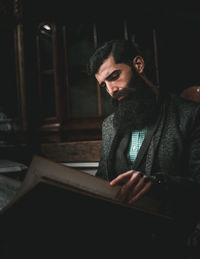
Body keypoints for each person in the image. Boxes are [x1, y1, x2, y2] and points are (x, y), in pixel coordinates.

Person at [87, 39, 200, 258]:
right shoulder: (109, 125)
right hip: (120, 241)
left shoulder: (191, 115)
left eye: (114, 76)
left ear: (138, 64)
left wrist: (158, 183)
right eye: (104, 85)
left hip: (173, 241)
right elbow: (103, 178)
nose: (112, 90)